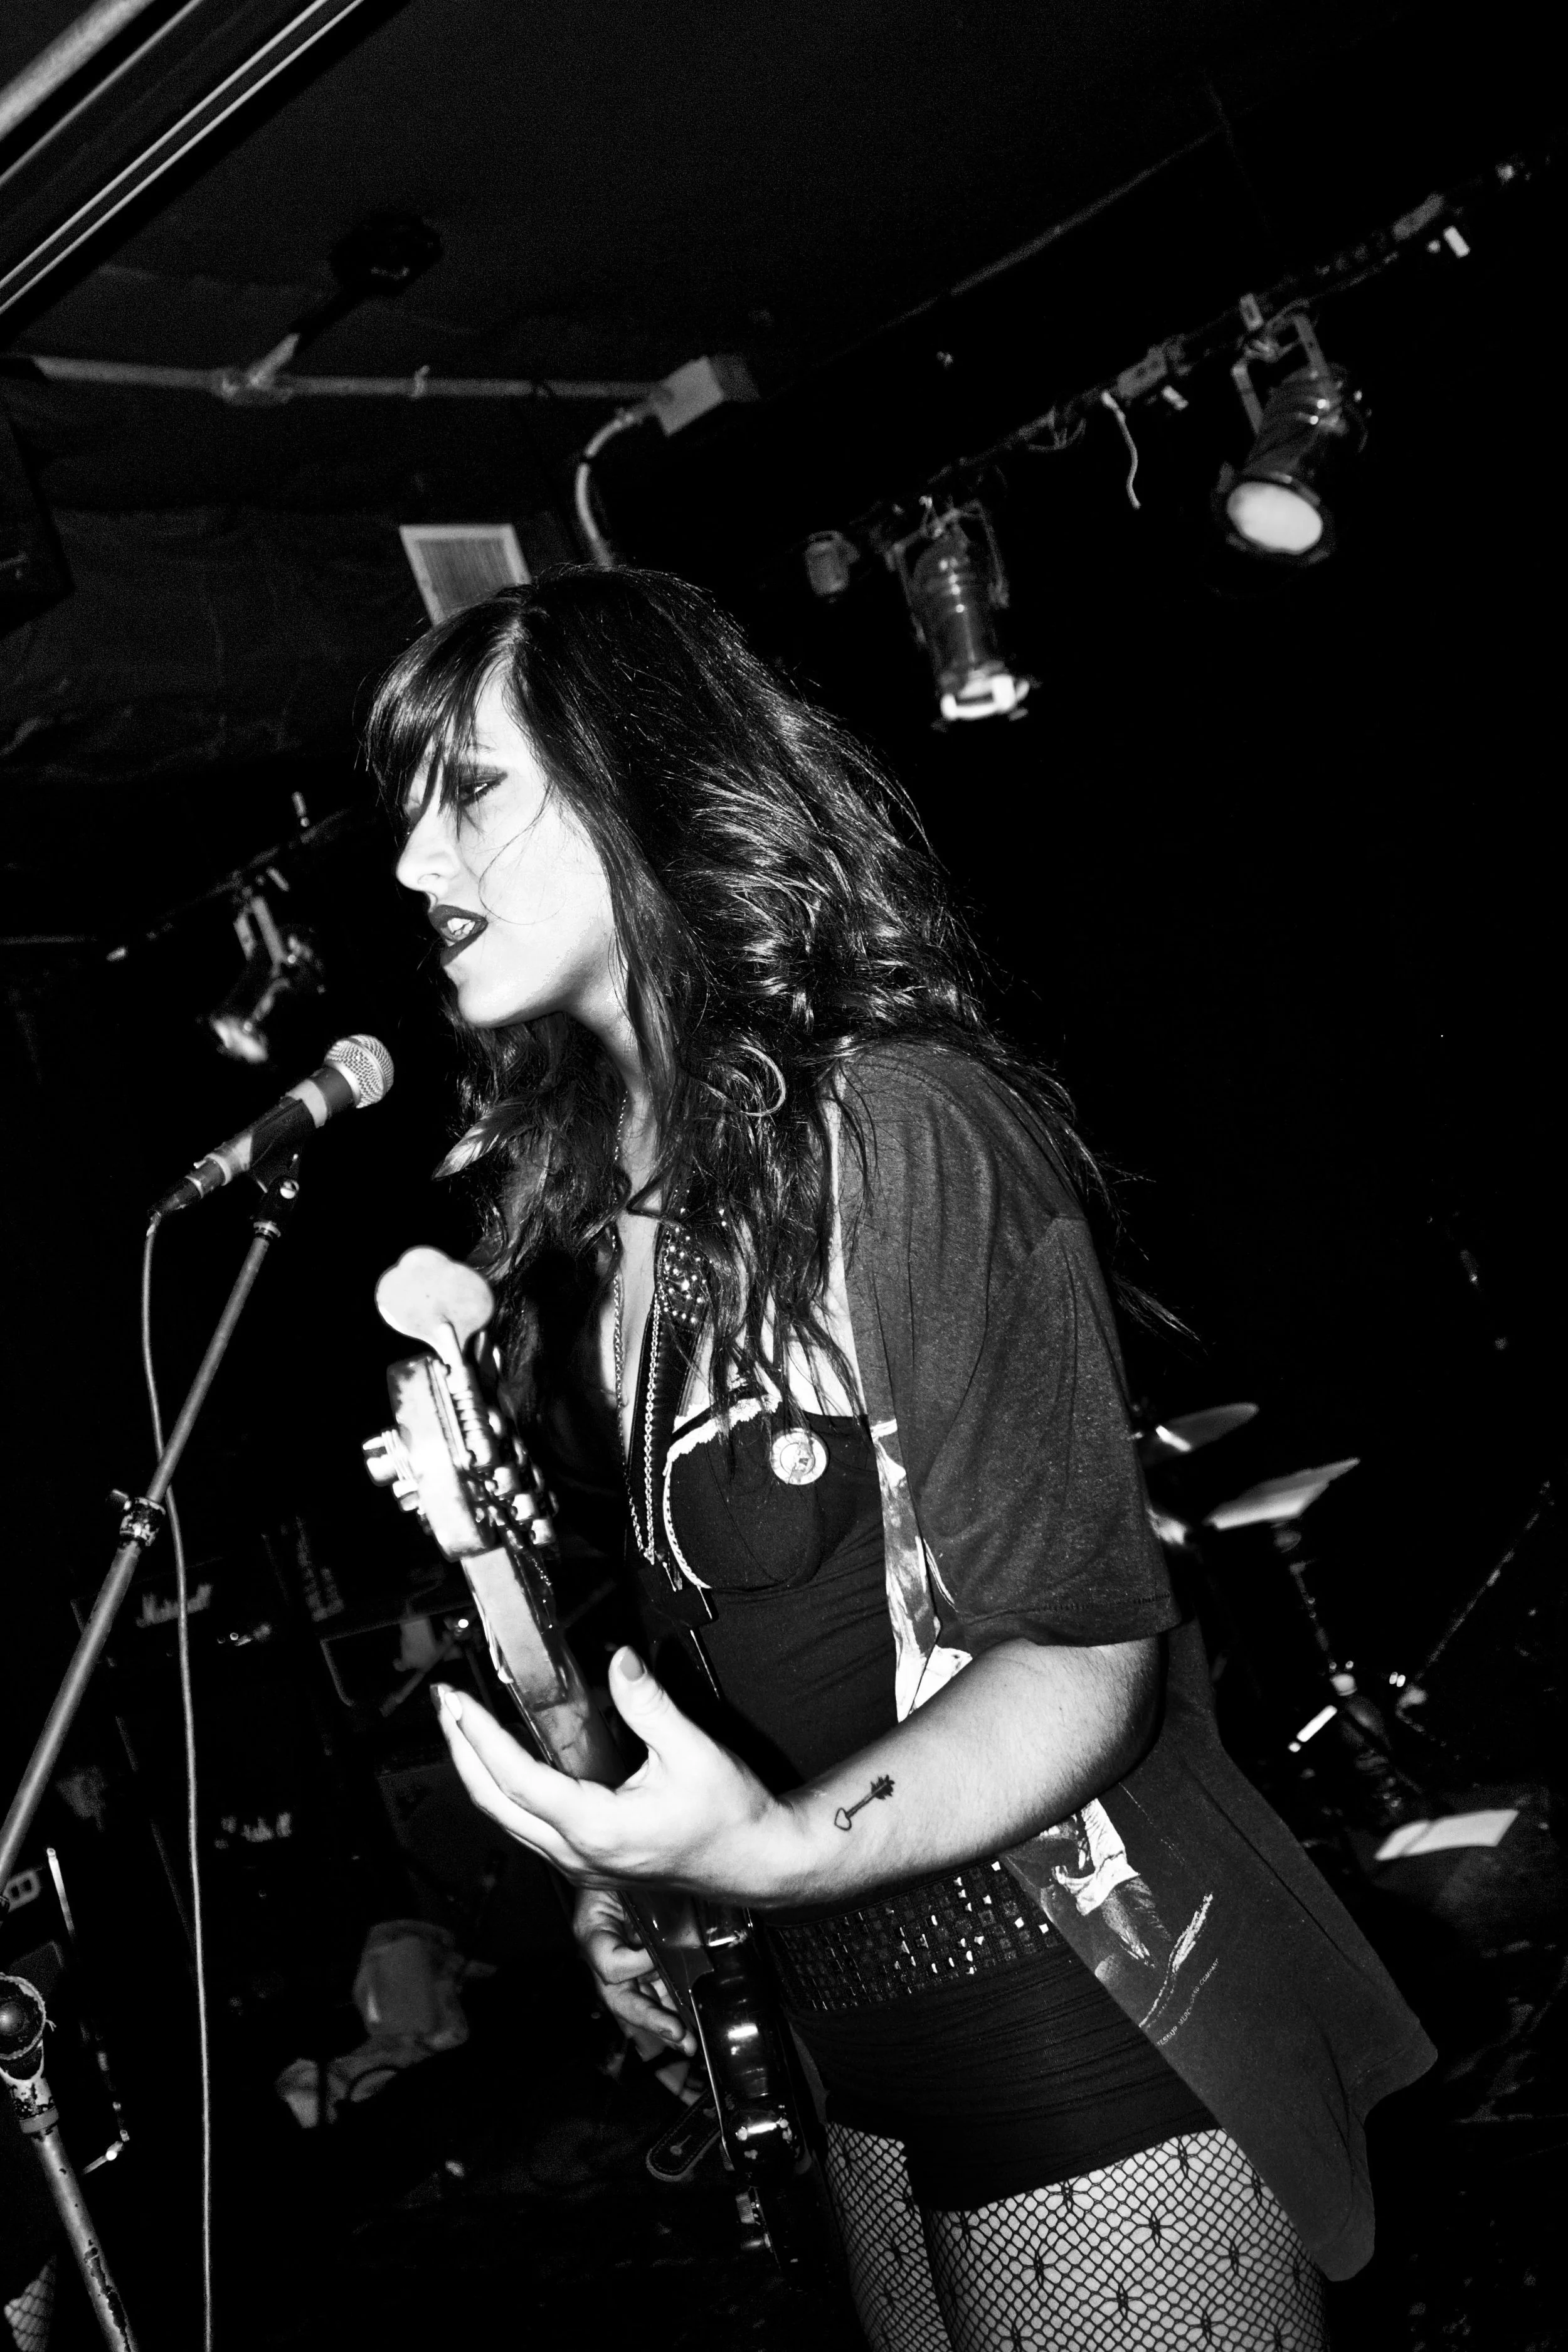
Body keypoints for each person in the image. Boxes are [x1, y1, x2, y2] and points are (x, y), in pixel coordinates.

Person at [366, 568, 1433, 2351]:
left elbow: (1086, 1656)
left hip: (1084, 1999)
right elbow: (732, 1663)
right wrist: (664, 1870)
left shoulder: (900, 1122)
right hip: (843, 2030)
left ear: (644, 778)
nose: (411, 863)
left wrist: (774, 1845)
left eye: (467, 788)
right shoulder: (601, 1228)